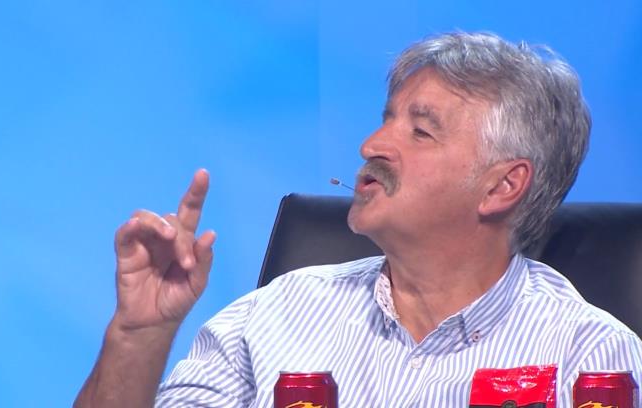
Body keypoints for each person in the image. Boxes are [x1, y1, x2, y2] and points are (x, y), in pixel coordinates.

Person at [74, 32, 642, 407]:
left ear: (502, 186)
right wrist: (137, 334)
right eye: (385, 119)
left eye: (420, 131)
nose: (371, 145)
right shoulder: (276, 314)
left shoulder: (589, 356)